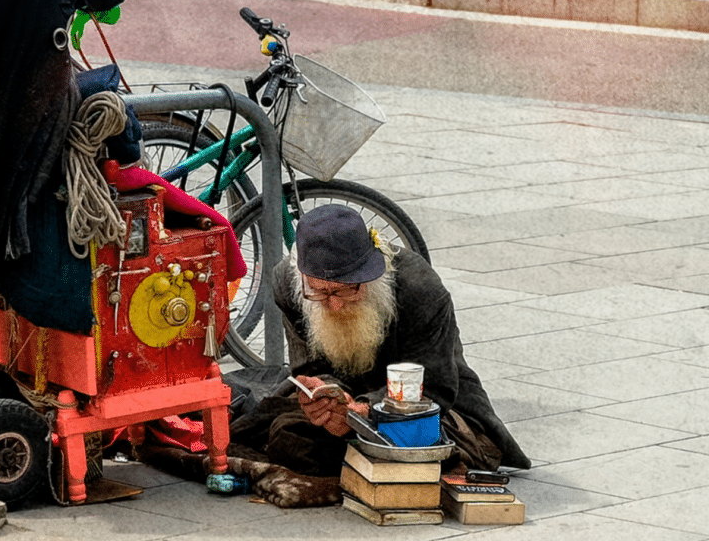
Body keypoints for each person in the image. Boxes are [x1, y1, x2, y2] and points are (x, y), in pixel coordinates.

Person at [226, 203, 531, 478]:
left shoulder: (420, 289)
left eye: (345, 290)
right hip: (347, 404)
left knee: (430, 445)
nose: (334, 305)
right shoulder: (289, 284)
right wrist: (327, 399)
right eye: (321, 293)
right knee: (286, 436)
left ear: (369, 275)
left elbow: (437, 386)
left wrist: (367, 410)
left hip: (419, 406)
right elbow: (310, 367)